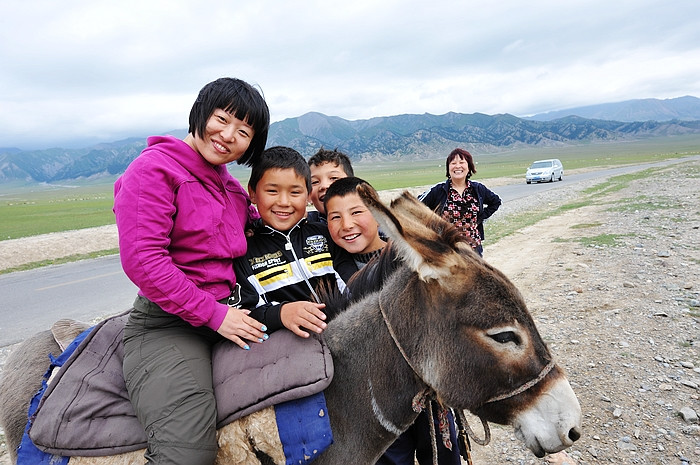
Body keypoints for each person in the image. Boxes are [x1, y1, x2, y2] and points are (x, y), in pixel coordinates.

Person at [113, 77, 270, 465]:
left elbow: (260, 225)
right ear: (200, 113)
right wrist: (215, 315)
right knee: (188, 453)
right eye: (222, 119)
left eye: (244, 131)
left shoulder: (230, 188)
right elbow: (144, 260)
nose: (228, 135)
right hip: (168, 325)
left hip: (230, 312)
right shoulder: (153, 170)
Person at [323, 177, 463, 465]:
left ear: (378, 213)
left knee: (442, 454)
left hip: (425, 392)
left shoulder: (409, 257)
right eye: (334, 217)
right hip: (376, 396)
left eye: (357, 212)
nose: (346, 224)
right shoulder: (332, 270)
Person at [233, 146, 358, 336]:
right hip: (292, 348)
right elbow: (246, 312)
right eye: (272, 191)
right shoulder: (244, 251)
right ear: (253, 193)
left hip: (345, 333)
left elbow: (354, 287)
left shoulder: (326, 235)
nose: (284, 202)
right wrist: (281, 314)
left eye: (295, 192)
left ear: (308, 196)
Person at [418, 148, 501, 256]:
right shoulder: (438, 190)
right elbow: (414, 206)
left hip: (473, 248)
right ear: (448, 168)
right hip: (446, 250)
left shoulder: (478, 189)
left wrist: (479, 218)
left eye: (462, 162)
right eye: (453, 163)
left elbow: (496, 202)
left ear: (469, 167)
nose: (457, 166)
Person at [306, 147, 354, 223]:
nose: (324, 186)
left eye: (334, 178)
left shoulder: (370, 220)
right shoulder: (304, 226)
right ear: (309, 196)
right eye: (314, 182)